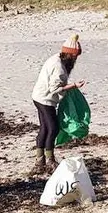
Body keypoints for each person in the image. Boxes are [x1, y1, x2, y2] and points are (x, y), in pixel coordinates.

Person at [30, 35, 85, 174]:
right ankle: (50, 160)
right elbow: (54, 89)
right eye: (75, 56)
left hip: (38, 96)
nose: (76, 59)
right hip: (45, 99)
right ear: (69, 55)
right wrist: (74, 85)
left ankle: (40, 159)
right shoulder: (59, 66)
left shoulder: (56, 57)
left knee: (45, 128)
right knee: (53, 128)